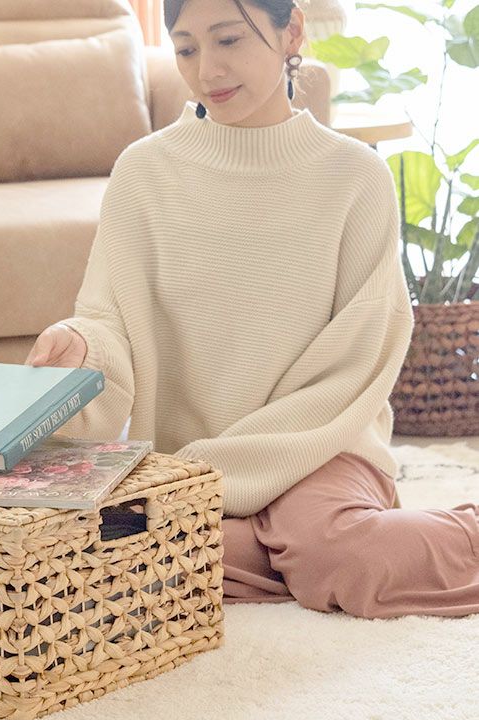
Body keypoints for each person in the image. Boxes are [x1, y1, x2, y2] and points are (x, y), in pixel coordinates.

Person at [24, 0, 479, 619]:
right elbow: (109, 321)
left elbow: (362, 355)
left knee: (338, 552)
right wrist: (81, 346)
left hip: (324, 445)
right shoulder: (143, 172)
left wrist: (252, 463)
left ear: (291, 31)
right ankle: (288, 549)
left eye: (230, 40)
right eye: (186, 49)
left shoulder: (356, 176)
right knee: (102, 554)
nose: (207, 69)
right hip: (196, 465)